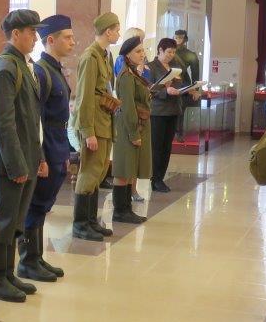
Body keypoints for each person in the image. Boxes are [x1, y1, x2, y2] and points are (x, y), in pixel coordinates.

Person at [0, 9, 44, 302]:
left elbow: (32, 121)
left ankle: (7, 274)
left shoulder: (21, 65)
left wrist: (38, 158)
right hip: (10, 161)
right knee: (4, 220)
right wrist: (17, 165)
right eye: (31, 32)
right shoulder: (5, 68)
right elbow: (3, 123)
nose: (35, 37)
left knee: (15, 220)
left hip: (25, 157)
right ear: (15, 34)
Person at [19, 14, 76, 281]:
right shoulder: (41, 71)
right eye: (67, 37)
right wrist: (42, 156)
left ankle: (37, 257)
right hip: (47, 144)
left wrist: (63, 152)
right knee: (35, 204)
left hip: (57, 142)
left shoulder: (54, 70)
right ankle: (27, 260)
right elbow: (36, 118)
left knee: (43, 205)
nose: (73, 42)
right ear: (50, 40)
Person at [71, 12, 121, 241]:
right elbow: (83, 97)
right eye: (116, 29)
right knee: (88, 173)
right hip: (94, 126)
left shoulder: (103, 56)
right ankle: (80, 223)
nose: (118, 33)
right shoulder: (90, 57)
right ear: (108, 31)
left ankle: (91, 221)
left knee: (98, 173)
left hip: (104, 122)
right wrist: (87, 131)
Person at [111, 36, 151, 225]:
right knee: (123, 169)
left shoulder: (134, 73)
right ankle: (120, 210)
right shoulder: (126, 76)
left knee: (130, 169)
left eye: (143, 51)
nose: (142, 54)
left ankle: (126, 209)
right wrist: (134, 133)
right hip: (128, 127)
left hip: (136, 125)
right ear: (127, 54)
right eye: (138, 51)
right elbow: (128, 107)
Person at [145, 37, 184, 192]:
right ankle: (154, 179)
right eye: (168, 52)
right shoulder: (151, 67)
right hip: (158, 112)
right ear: (160, 50)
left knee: (167, 146)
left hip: (173, 110)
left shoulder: (175, 65)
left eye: (174, 52)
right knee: (156, 147)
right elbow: (148, 88)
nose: (171, 55)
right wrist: (164, 90)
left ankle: (161, 177)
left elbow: (181, 82)